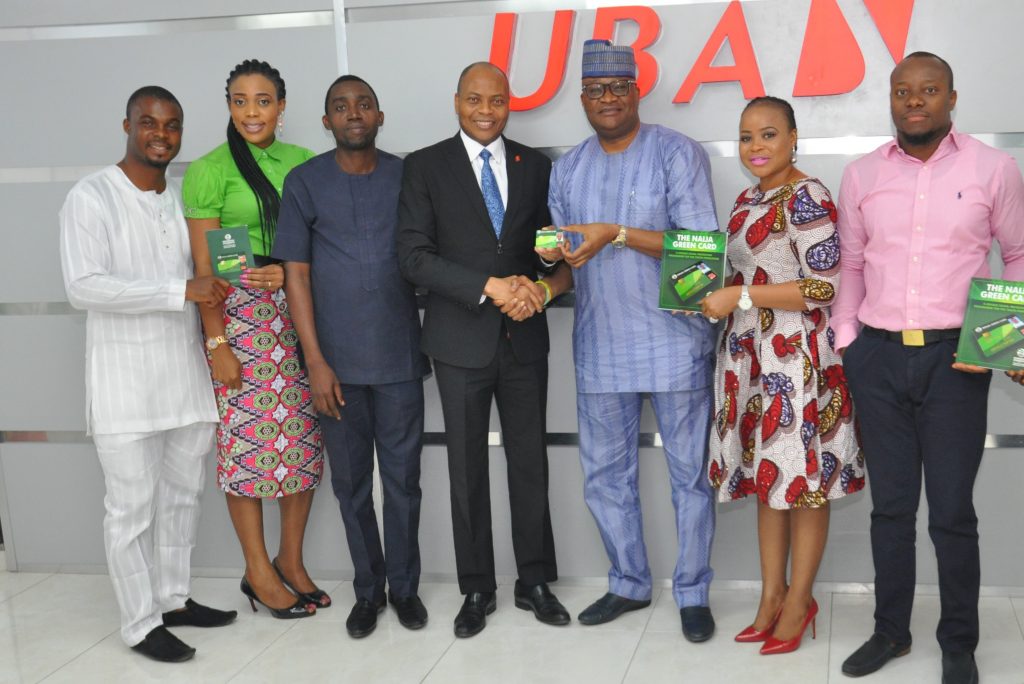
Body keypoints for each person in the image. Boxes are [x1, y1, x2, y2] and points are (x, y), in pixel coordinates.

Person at [833, 52, 1024, 684]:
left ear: (951, 98)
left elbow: (1018, 254)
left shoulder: (994, 168)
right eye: (903, 91)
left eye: (929, 90)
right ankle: (891, 632)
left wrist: (1002, 344)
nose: (915, 100)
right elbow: (852, 264)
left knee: (950, 512)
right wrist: (848, 342)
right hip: (878, 357)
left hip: (957, 360)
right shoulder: (861, 176)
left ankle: (959, 643)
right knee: (890, 509)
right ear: (891, 99)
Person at [536, 39, 717, 642]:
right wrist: (541, 285)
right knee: (604, 478)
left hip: (675, 342)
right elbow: (569, 260)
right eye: (595, 90)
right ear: (583, 98)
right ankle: (629, 584)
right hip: (601, 345)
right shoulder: (569, 168)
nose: (607, 99)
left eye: (618, 88)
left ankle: (692, 592)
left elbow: (702, 252)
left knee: (689, 476)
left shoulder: (677, 154)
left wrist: (616, 231)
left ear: (637, 91)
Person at [59, 86, 237, 662]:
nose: (161, 134)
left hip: (184, 374)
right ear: (127, 126)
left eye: (173, 125)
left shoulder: (179, 199)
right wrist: (179, 290)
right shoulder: (91, 197)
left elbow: (211, 270)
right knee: (131, 508)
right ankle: (139, 623)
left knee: (184, 494)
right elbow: (84, 286)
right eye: (149, 123)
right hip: (124, 383)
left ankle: (173, 597)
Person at [397, 61, 568, 638]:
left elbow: (547, 247)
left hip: (524, 336)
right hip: (458, 340)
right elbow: (414, 256)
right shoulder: (424, 167)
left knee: (531, 463)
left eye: (496, 100)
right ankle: (476, 589)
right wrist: (489, 287)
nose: (486, 110)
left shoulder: (535, 165)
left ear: (509, 103)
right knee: (467, 471)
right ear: (457, 102)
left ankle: (535, 582)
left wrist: (536, 278)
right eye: (475, 100)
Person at [700, 96, 864, 655]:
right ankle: (770, 597)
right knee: (768, 480)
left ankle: (800, 600)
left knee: (804, 486)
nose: (757, 147)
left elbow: (826, 287)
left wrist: (740, 294)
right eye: (747, 137)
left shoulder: (809, 196)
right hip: (749, 356)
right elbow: (741, 272)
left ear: (794, 138)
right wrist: (707, 292)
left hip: (797, 359)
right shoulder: (748, 199)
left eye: (769, 135)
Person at [273, 75, 431, 638]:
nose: (353, 113)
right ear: (326, 122)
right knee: (352, 486)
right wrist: (314, 361)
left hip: (399, 359)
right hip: (333, 366)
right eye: (341, 107)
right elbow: (295, 272)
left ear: (380, 115)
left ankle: (405, 588)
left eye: (363, 104)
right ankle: (369, 591)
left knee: (404, 482)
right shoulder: (304, 182)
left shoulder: (407, 176)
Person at [183, 59, 325, 619]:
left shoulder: (305, 163)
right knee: (246, 450)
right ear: (228, 106)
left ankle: (291, 560)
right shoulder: (210, 170)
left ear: (282, 106)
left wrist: (285, 270)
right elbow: (206, 268)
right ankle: (257, 569)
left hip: (300, 315)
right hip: (240, 321)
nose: (250, 112)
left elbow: (317, 245)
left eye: (262, 100)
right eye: (239, 101)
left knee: (301, 443)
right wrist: (218, 346)